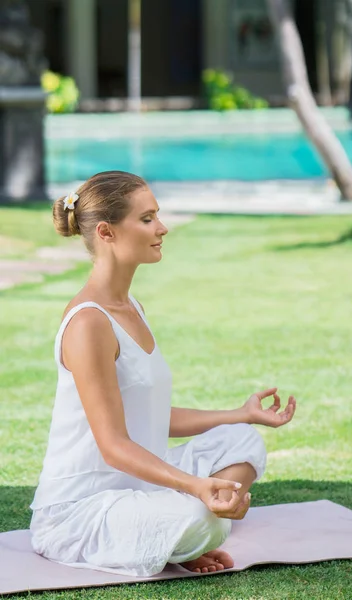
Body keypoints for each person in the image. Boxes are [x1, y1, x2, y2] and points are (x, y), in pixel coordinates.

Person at [30, 171, 297, 577]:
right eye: (147, 218)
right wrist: (197, 488)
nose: (163, 228)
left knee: (242, 441)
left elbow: (152, 416)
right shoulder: (89, 324)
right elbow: (114, 445)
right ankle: (185, 533)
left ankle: (176, 533)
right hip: (81, 513)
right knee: (204, 517)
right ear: (106, 232)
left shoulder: (131, 307)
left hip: (141, 488)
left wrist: (241, 413)